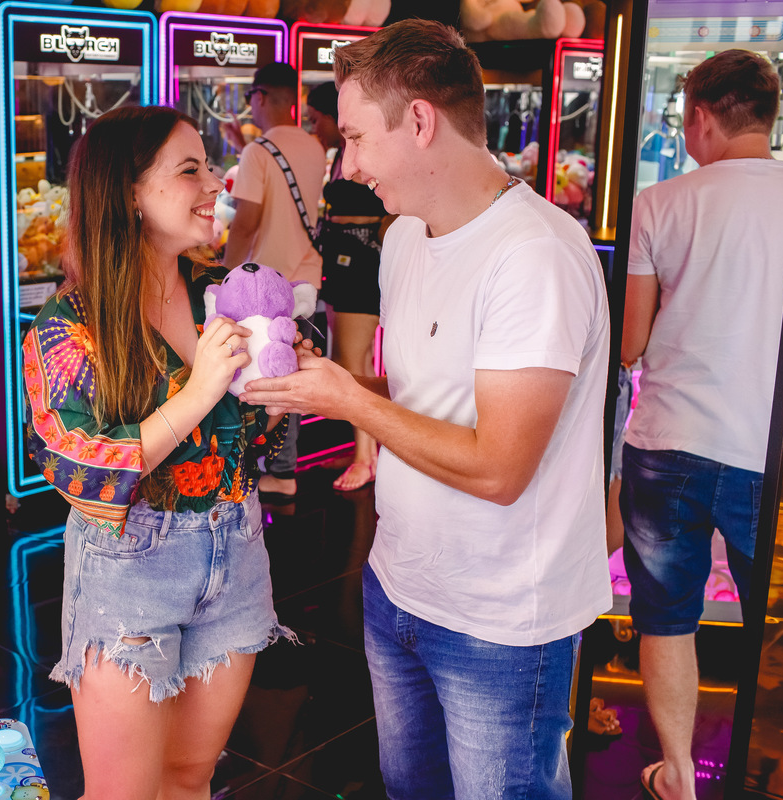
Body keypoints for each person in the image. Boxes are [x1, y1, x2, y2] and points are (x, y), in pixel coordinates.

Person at [241, 19, 611, 799]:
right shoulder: (407, 235)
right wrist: (327, 383)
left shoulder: (534, 255)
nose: (346, 164)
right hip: (397, 586)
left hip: (500, 623)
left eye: (355, 138)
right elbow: (419, 404)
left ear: (419, 120)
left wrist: (347, 398)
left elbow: (499, 467)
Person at [21, 106, 294, 800]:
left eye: (209, 165)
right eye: (190, 170)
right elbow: (80, 470)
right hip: (129, 573)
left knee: (190, 778)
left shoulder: (222, 298)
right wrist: (199, 392)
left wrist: (282, 387)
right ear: (130, 193)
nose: (214, 183)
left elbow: (248, 438)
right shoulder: (69, 329)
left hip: (236, 556)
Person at [619, 50, 783, 800]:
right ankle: (780, 770)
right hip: (770, 452)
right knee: (780, 627)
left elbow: (630, 343)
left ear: (698, 117)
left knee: (666, 618)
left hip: (668, 445)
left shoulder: (660, 204)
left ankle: (679, 773)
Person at [223, 62, 326, 503]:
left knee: (253, 379)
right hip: (305, 281)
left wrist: (222, 277)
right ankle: (284, 467)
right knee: (292, 371)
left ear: (260, 97)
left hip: (261, 291)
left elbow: (245, 224)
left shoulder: (258, 152)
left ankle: (267, 470)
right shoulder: (313, 146)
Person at [305, 81, 391, 492]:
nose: (314, 128)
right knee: (356, 361)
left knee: (352, 362)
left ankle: (365, 458)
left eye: (316, 120)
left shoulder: (366, 154)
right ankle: (367, 450)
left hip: (360, 266)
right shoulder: (340, 155)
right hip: (342, 265)